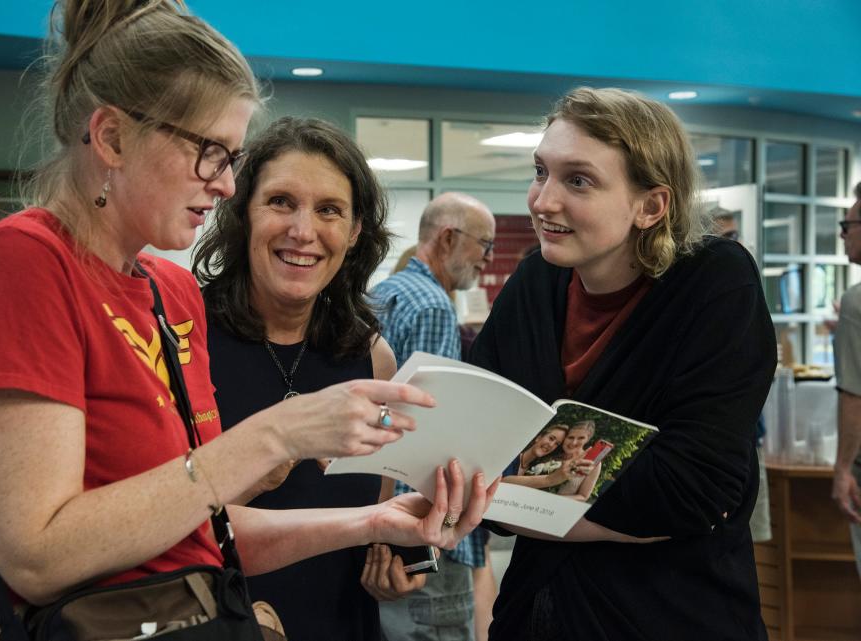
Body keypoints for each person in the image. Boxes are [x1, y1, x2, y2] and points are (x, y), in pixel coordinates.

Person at [0, 0, 495, 632]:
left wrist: (373, 523)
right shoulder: (24, 263)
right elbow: (35, 557)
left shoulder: (169, 292)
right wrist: (277, 434)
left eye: (231, 157)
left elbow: (198, 536)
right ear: (113, 137)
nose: (226, 184)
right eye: (211, 152)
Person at [469, 87, 775, 641]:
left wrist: (528, 483)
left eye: (578, 180)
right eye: (541, 171)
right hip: (532, 616)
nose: (542, 201)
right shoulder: (535, 283)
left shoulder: (713, 282)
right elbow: (476, 456)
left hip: (673, 618)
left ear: (651, 205)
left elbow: (692, 490)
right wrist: (618, 509)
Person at [193, 116, 425, 641]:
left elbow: (372, 518)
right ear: (243, 214)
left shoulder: (372, 358)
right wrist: (260, 461)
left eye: (329, 210)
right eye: (280, 202)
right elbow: (154, 526)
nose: (304, 231)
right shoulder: (185, 345)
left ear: (355, 230)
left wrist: (389, 570)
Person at [370, 192, 496, 641]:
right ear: (448, 238)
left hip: (379, 514)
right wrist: (425, 543)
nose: (487, 258)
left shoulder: (386, 290)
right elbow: (425, 435)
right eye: (484, 244)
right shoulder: (433, 306)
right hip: (420, 536)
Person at [832, 181, 861, 578]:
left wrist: (843, 469)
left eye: (848, 223)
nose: (842, 233)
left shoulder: (856, 302)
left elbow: (855, 397)